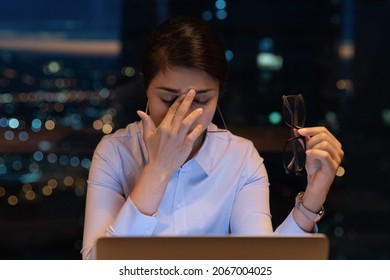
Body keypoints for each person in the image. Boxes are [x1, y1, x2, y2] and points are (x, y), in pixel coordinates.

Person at [81, 16, 344, 260]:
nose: (182, 114)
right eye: (168, 99)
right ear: (146, 87)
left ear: (219, 95)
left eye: (202, 100)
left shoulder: (239, 158)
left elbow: (263, 266)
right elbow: (95, 267)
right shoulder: (115, 151)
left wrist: (312, 198)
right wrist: (158, 169)